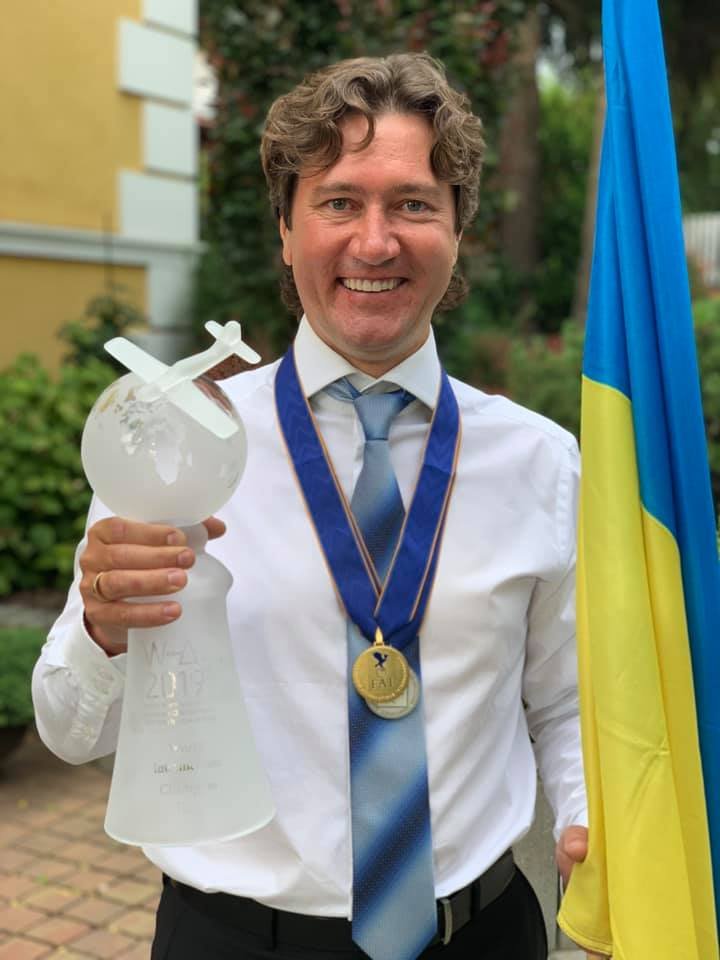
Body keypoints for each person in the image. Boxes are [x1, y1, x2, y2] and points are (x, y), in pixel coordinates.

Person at [33, 53, 591, 960]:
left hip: (485, 935)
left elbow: (565, 703)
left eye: (413, 204)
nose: (375, 242)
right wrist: (102, 629)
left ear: (458, 230)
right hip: (234, 940)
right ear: (287, 232)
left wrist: (587, 825)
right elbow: (68, 730)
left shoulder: (542, 461)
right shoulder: (174, 445)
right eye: (338, 202)